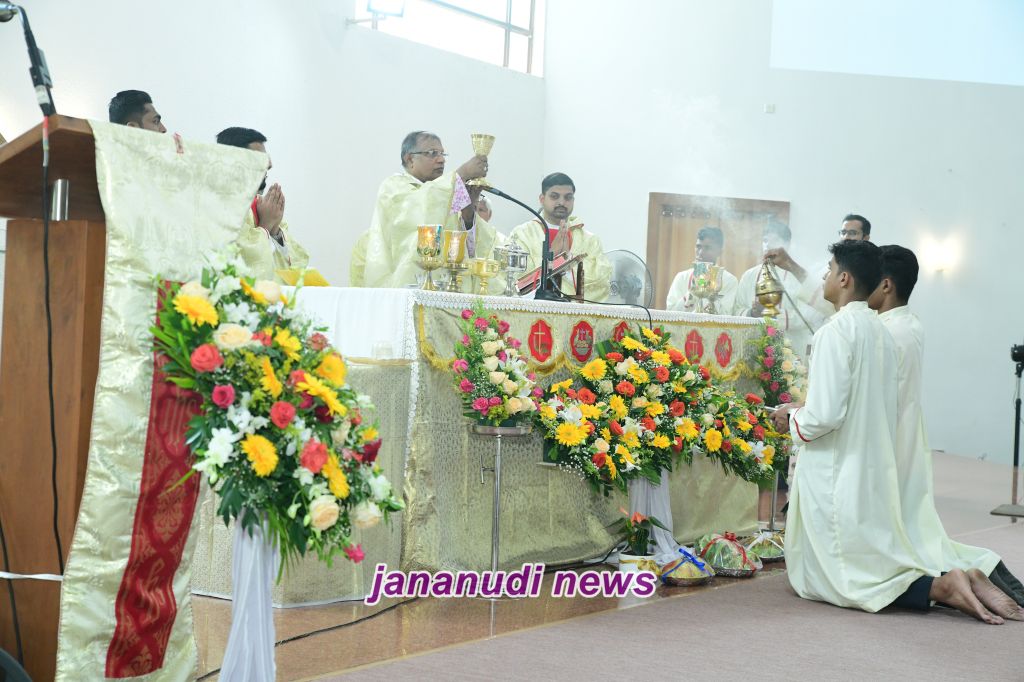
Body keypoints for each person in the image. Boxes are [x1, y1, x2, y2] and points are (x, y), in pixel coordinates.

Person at [772, 240, 1016, 623]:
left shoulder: (836, 332)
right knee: (856, 559)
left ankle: (942, 587)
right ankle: (951, 579)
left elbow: (826, 414)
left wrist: (792, 418)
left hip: (835, 465)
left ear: (844, 278)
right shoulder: (881, 331)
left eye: (829, 270)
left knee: (833, 577)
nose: (824, 277)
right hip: (868, 458)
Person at [870, 244, 1024, 608]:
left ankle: (975, 575)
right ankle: (988, 571)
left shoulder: (885, 332)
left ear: (887, 284)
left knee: (902, 534)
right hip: (907, 433)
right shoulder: (908, 323)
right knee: (917, 527)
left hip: (888, 436)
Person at [361, 131, 505, 292]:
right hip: (407, 287)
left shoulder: (446, 191)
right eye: (432, 153)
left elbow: (467, 246)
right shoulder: (394, 187)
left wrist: (468, 212)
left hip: (448, 288)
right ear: (410, 159)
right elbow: (416, 215)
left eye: (442, 154)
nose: (441, 159)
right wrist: (462, 173)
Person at [215, 127, 310, 283]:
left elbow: (297, 266)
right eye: (261, 159)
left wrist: (275, 231)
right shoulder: (221, 206)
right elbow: (239, 266)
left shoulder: (263, 205)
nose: (270, 164)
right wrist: (265, 225)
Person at [508, 172, 612, 302]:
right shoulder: (522, 234)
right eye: (554, 196)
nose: (562, 202)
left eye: (568, 197)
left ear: (573, 200)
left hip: (575, 312)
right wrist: (553, 259)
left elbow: (602, 284)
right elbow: (513, 281)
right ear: (542, 199)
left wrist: (567, 260)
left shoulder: (590, 240)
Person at [733, 221, 825, 359]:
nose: (767, 245)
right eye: (765, 240)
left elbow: (808, 314)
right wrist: (752, 312)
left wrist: (773, 314)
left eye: (774, 240)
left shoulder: (797, 274)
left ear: (787, 244)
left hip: (790, 349)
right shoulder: (749, 275)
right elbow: (736, 310)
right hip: (753, 347)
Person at [765, 214, 870, 321]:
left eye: (852, 233)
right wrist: (789, 264)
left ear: (866, 238)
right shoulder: (828, 265)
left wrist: (790, 264)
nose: (846, 237)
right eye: (843, 232)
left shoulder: (870, 267)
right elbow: (821, 299)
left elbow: (833, 306)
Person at [665, 226, 738, 313]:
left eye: (707, 248)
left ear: (719, 252)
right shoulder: (682, 277)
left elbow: (728, 314)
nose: (700, 252)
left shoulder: (729, 280)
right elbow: (670, 312)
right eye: (698, 246)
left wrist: (708, 294)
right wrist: (693, 293)